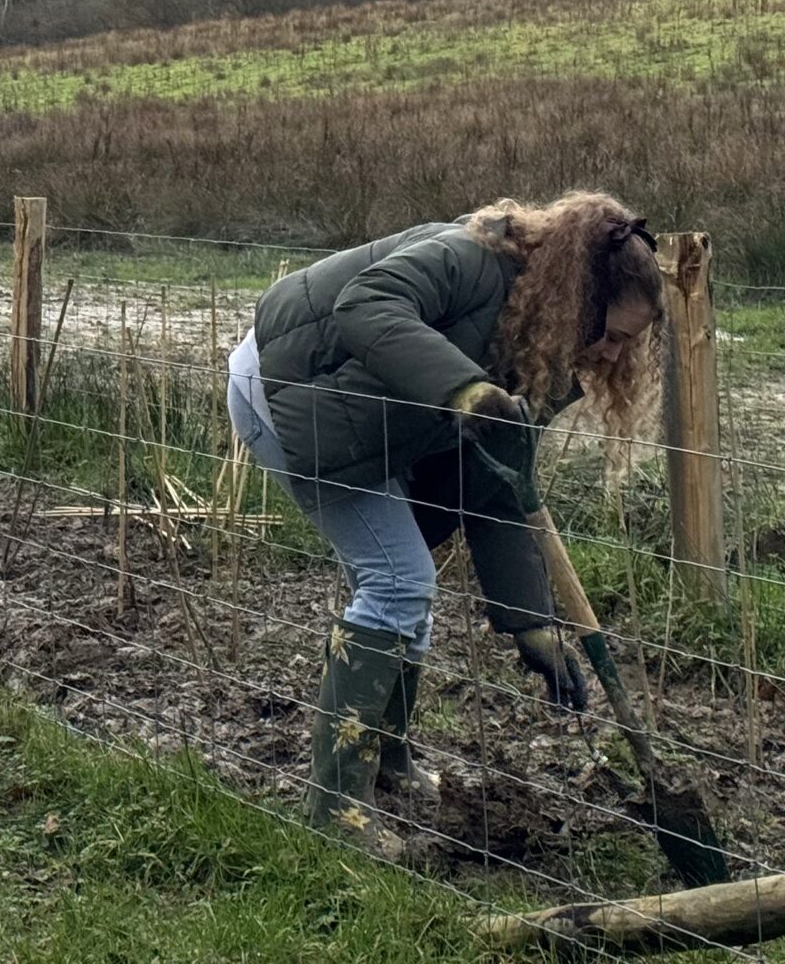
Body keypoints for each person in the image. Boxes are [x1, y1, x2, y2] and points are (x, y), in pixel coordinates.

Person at [227, 192, 666, 859]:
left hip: (369, 420)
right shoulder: (469, 259)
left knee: (407, 590)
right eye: (611, 333)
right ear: (579, 293)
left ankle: (390, 765)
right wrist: (463, 389)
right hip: (291, 389)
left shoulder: (545, 348)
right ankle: (333, 809)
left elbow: (495, 485)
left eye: (627, 345)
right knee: (398, 581)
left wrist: (533, 625)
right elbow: (364, 307)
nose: (610, 355)